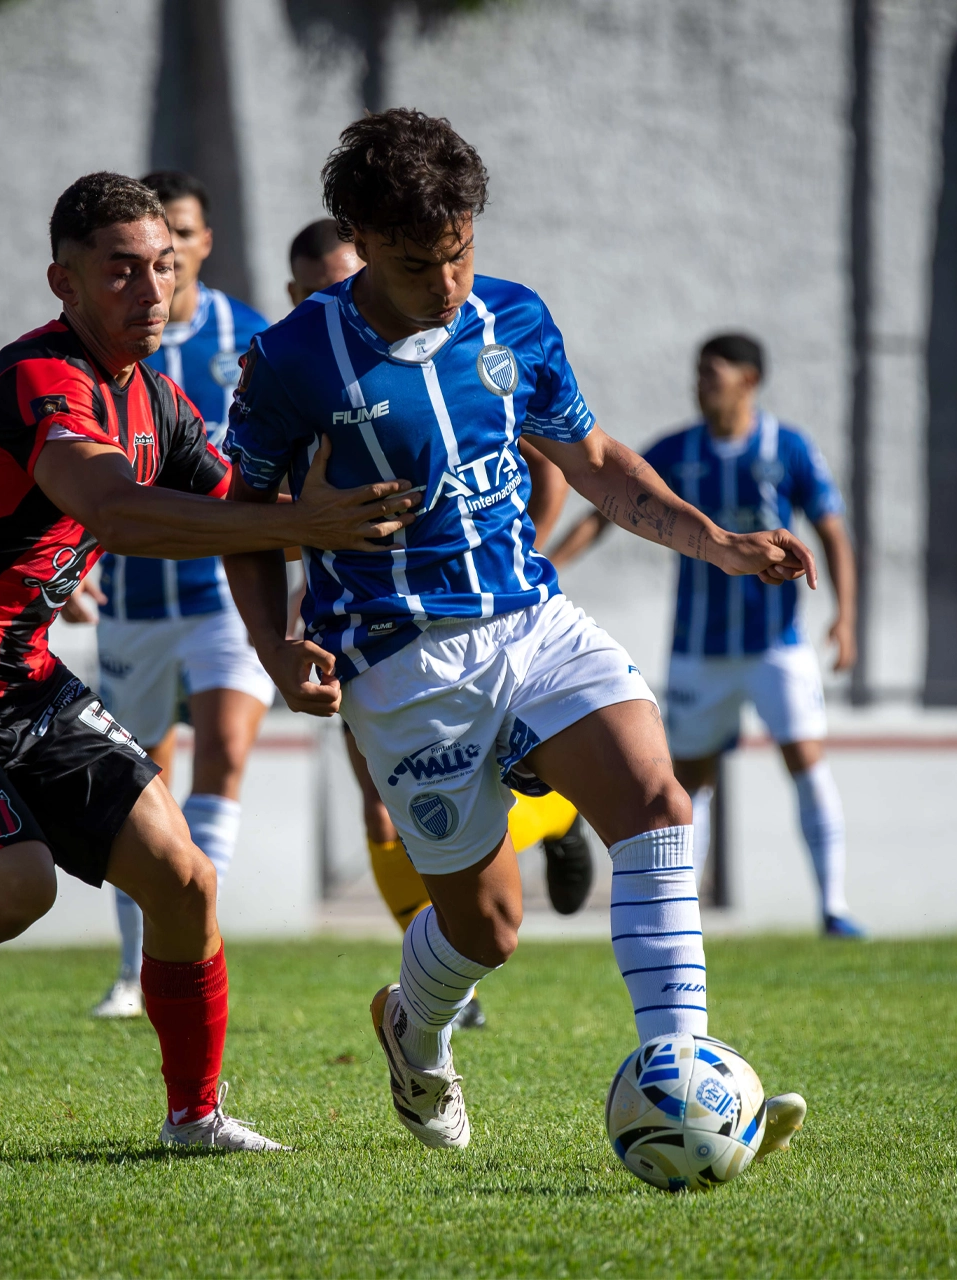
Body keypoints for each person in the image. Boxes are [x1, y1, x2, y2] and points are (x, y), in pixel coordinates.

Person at [0, 171, 421, 1152]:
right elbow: (116, 509)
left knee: (185, 879)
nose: (148, 288)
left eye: (162, 265)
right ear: (64, 284)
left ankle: (194, 1115)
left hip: (20, 673)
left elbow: (244, 523)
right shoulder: (43, 379)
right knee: (13, 888)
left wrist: (292, 631)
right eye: (120, 269)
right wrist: (302, 518)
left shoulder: (159, 400)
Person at [222, 111, 811, 1153]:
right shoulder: (290, 360)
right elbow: (245, 518)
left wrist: (716, 541)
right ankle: (414, 1026)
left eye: (460, 252)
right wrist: (274, 646)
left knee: (660, 802)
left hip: (533, 620)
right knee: (488, 927)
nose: (447, 280)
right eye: (416, 263)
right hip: (401, 661)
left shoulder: (515, 319)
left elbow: (592, 459)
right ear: (358, 237)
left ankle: (686, 1085)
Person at [289, 223, 597, 1033]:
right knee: (381, 811)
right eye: (310, 285)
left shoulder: (461, 344)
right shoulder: (297, 363)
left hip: (479, 620)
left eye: (343, 276)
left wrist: (519, 534)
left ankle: (552, 822)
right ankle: (447, 993)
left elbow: (544, 449)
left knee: (417, 814)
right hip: (355, 625)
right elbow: (259, 520)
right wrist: (307, 531)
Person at [548, 333, 865, 937]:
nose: (700, 385)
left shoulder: (788, 448)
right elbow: (607, 512)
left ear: (748, 380)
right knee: (689, 779)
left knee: (805, 759)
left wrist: (845, 618)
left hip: (777, 645)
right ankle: (682, 917)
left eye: (712, 374)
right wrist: (549, 567)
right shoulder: (677, 449)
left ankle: (834, 906)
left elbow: (833, 533)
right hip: (699, 650)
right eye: (697, 374)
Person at [75, 171, 277, 1021]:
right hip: (133, 599)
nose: (176, 252)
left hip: (223, 594)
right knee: (142, 787)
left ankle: (192, 936)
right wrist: (73, 559)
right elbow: (78, 461)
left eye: (186, 235)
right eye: (161, 239)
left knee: (226, 750)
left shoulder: (253, 337)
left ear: (202, 241)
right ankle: (134, 968)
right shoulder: (102, 349)